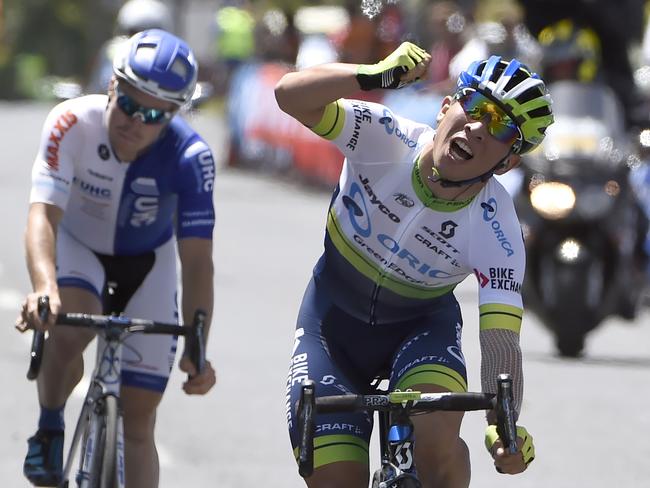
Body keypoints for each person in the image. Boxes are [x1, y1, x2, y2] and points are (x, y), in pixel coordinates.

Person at [275, 42, 553, 487]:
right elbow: (289, 95)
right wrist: (368, 76)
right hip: (332, 331)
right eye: (476, 106)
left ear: (509, 161)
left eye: (501, 127)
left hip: (421, 330)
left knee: (436, 438)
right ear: (446, 107)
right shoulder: (383, 137)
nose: (479, 128)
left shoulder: (497, 227)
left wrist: (505, 429)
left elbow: (501, 342)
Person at [17, 29, 217, 488]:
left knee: (139, 420)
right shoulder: (71, 122)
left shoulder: (191, 157)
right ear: (111, 86)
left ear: (172, 116)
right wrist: (45, 287)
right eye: (128, 103)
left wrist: (198, 344)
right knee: (66, 332)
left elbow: (198, 261)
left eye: (153, 114)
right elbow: (42, 216)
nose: (135, 121)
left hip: (148, 262)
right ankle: (50, 425)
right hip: (79, 248)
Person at [85, 0, 174, 94]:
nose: (141, 40)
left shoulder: (168, 59)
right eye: (135, 33)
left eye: (149, 34)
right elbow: (99, 86)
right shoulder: (111, 50)